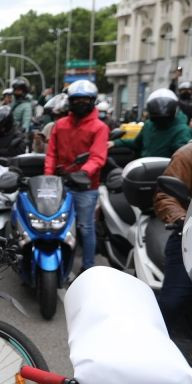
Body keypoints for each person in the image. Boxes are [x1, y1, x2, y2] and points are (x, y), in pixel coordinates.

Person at [44, 80, 108, 273]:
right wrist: (48, 178)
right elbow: (51, 154)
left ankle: (88, 267)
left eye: (84, 100)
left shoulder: (99, 127)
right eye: (76, 100)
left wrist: (82, 173)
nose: (80, 103)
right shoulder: (60, 125)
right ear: (69, 102)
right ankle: (59, 266)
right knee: (57, 226)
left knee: (85, 227)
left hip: (86, 187)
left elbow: (97, 157)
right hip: (60, 184)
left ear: (92, 101)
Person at [154, 142, 192, 359]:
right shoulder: (187, 155)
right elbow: (165, 196)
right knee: (172, 303)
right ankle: (160, 358)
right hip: (188, 237)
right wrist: (180, 218)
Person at [109, 89, 191, 158]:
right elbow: (137, 143)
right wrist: (115, 143)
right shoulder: (149, 125)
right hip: (143, 169)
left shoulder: (182, 131)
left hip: (166, 173)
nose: (160, 121)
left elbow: (181, 156)